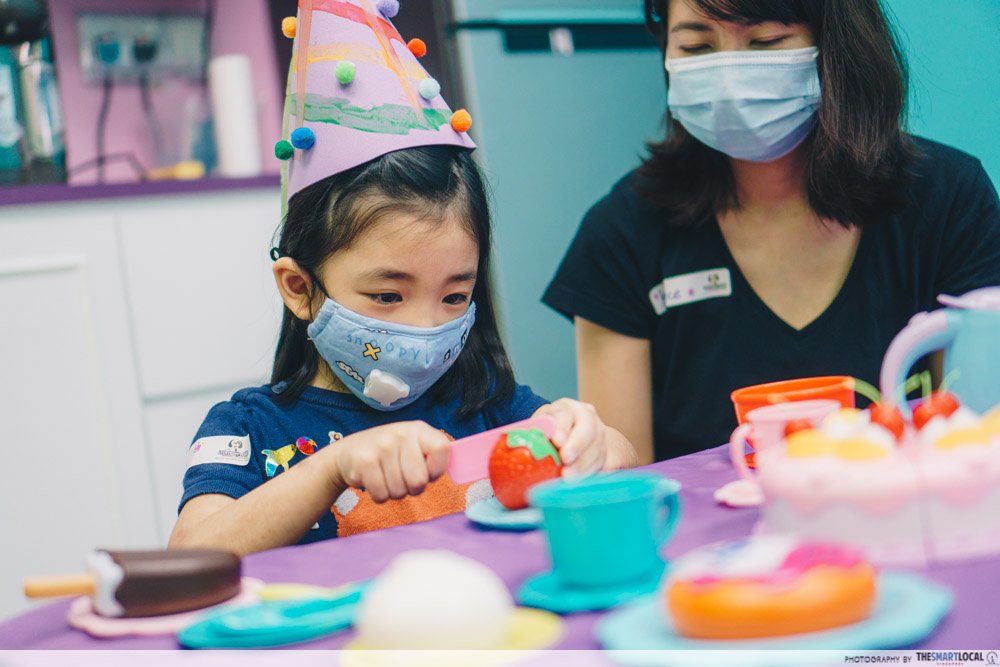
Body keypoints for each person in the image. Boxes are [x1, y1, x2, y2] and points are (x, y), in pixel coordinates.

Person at [170, 4, 637, 556]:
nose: (424, 327)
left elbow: (623, 459)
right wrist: (332, 468)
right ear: (300, 288)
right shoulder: (251, 427)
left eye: (455, 296)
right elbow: (192, 555)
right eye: (388, 295)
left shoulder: (486, 404)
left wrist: (589, 437)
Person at [543, 0, 1000, 463]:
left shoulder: (949, 201)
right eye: (697, 46)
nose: (729, 80)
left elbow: (978, 437)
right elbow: (620, 477)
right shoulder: (623, 230)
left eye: (764, 42)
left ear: (837, 47)